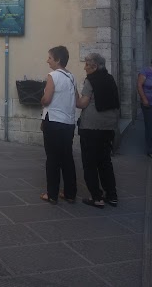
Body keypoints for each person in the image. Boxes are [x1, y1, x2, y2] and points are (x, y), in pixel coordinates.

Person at [77, 53, 119, 209]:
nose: (85, 67)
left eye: (87, 64)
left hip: (91, 127)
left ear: (94, 66)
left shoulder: (90, 80)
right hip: (108, 127)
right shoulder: (110, 79)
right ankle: (112, 196)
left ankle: (96, 197)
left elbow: (82, 103)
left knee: (89, 163)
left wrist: (74, 95)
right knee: (105, 162)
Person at [40, 45, 77, 204]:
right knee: (67, 158)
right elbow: (78, 100)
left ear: (58, 59)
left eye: (50, 57)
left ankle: (52, 194)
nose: (47, 60)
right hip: (68, 123)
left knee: (53, 159)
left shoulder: (53, 75)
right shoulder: (72, 77)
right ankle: (70, 193)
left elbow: (47, 99)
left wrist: (41, 100)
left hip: (53, 121)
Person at [137, 61, 152, 158]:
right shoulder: (145, 71)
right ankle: (150, 150)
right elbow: (139, 85)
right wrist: (144, 99)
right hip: (148, 104)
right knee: (150, 127)